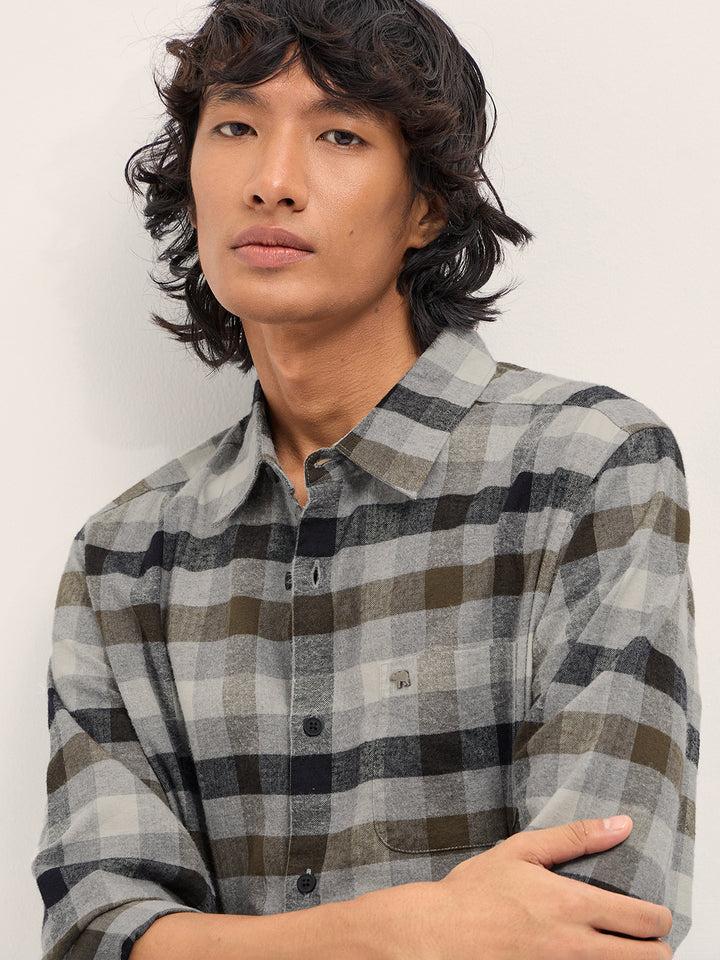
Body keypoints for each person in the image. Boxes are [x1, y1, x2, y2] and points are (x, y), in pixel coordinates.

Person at [33, 1, 699, 958]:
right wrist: (407, 932)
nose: (271, 182)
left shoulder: (589, 465)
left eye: (339, 134)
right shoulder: (126, 555)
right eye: (236, 127)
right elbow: (96, 932)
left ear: (426, 205)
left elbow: (598, 919)